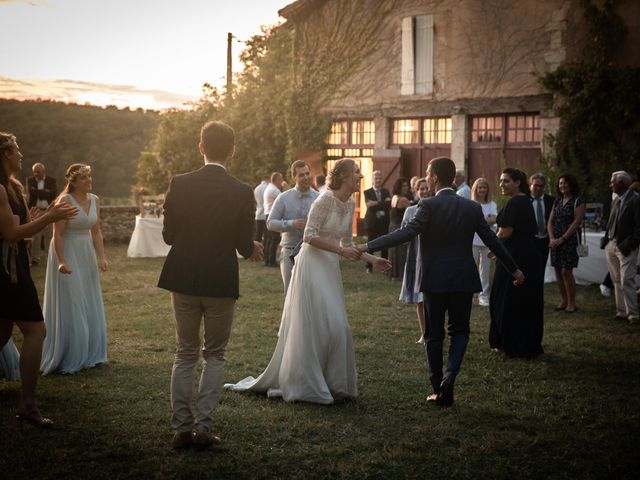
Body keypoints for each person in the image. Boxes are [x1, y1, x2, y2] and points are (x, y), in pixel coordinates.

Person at [225, 158, 391, 404]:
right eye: (356, 172)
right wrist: (341, 252)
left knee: (337, 326)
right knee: (314, 325)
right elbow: (309, 236)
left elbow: (346, 244)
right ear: (344, 176)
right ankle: (306, 383)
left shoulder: (349, 204)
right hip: (311, 264)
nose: (360, 176)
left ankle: (334, 383)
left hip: (330, 267)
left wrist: (371, 259)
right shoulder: (324, 200)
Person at [360, 157, 523, 407]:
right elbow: (492, 240)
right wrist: (514, 269)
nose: (426, 175)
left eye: (428, 172)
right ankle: (450, 376)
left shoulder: (428, 205)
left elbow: (405, 233)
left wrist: (368, 246)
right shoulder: (471, 208)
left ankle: (438, 388)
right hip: (463, 279)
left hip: (434, 279)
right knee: (460, 331)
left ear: (435, 177)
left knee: (434, 335)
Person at [158, 121, 263, 450]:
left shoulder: (179, 183)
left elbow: (168, 236)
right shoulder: (242, 191)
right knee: (214, 355)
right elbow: (245, 246)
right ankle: (203, 427)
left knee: (185, 353)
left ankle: (180, 430)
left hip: (183, 276)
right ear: (232, 151)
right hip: (220, 279)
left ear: (200, 147)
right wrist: (253, 247)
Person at [0, 132, 78, 428]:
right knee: (36, 331)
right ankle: (28, 405)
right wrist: (49, 216)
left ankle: (28, 404)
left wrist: (32, 222)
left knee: (3, 334)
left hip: (14, 266)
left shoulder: (13, 186)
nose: (21, 155)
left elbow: (18, 232)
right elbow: (9, 234)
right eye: (16, 150)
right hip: (7, 274)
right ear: (5, 154)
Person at [40, 163, 109, 375]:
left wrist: (102, 257)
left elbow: (96, 231)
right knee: (73, 298)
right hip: (67, 251)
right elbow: (57, 234)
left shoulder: (95, 200)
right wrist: (61, 260)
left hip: (85, 252)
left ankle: (90, 352)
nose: (89, 180)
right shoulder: (64, 201)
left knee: (88, 298)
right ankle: (70, 353)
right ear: (73, 182)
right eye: (84, 178)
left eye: (90, 176)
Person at [489, 168, 544, 359]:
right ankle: (523, 343)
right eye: (501, 181)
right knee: (522, 301)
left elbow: (505, 232)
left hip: (515, 257)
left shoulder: (516, 202)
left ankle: (509, 344)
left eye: (506, 181)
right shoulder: (525, 201)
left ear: (517, 183)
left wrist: (493, 247)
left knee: (505, 300)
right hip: (526, 256)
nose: (501, 185)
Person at [267, 160, 319, 294]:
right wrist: (291, 224)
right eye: (301, 175)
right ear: (294, 177)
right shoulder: (283, 198)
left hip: (312, 252)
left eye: (307, 173)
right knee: (290, 294)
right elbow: (270, 223)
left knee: (309, 294)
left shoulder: (318, 198)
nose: (306, 177)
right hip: (289, 252)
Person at [601, 171, 640, 325]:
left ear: (622, 184)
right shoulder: (616, 200)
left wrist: (629, 244)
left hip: (626, 246)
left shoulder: (636, 200)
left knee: (627, 280)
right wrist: (607, 240)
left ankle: (634, 315)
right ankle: (622, 312)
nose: (610, 184)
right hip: (611, 244)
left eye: (613, 182)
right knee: (616, 279)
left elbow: (639, 228)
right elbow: (611, 222)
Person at [548, 174, 585, 313]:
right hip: (555, 241)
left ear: (571, 184)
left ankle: (571, 303)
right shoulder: (557, 201)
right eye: (560, 183)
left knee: (566, 271)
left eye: (565, 183)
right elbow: (550, 222)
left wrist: (562, 239)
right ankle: (563, 300)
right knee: (557, 270)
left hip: (569, 241)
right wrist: (552, 239)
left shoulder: (578, 200)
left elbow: (576, 223)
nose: (562, 186)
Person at [399, 178, 429, 344]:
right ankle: (424, 333)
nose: (424, 191)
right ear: (416, 191)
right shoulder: (410, 211)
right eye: (421, 189)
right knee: (419, 299)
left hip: (431, 257)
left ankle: (434, 331)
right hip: (415, 255)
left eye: (426, 188)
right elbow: (403, 233)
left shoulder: (435, 208)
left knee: (430, 299)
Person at [471, 178, 497, 307]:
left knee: (485, 269)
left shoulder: (492, 204)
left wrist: (479, 220)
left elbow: (494, 219)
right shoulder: (471, 203)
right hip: (473, 240)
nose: (482, 190)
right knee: (470, 267)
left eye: (484, 187)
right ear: (475, 189)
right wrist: (485, 220)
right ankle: (468, 294)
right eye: (480, 187)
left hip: (487, 240)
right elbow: (471, 221)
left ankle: (484, 295)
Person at [26, 162, 58, 265]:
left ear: (43, 171)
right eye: (34, 172)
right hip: (36, 211)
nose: (36, 174)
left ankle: (50, 257)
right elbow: (31, 193)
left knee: (49, 234)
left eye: (38, 172)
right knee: (36, 236)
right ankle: (35, 259)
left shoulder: (51, 180)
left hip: (48, 210)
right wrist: (45, 192)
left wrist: (38, 192)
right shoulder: (30, 180)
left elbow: (53, 194)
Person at [363, 170, 391, 273]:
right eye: (376, 178)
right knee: (370, 245)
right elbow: (369, 206)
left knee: (385, 244)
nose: (378, 180)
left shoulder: (386, 192)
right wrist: (382, 203)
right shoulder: (367, 192)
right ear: (372, 180)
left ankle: (385, 267)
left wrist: (376, 203)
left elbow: (388, 205)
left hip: (384, 222)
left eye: (380, 178)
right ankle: (369, 267)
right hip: (372, 222)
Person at [529, 173, 555, 275]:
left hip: (545, 239)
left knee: (541, 268)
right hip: (530, 239)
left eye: (541, 186)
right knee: (530, 267)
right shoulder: (525, 200)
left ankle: (539, 289)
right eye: (536, 185)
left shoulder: (551, 200)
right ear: (530, 185)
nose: (538, 188)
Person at [388, 177, 412, 279]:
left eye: (407, 186)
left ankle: (393, 273)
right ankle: (401, 274)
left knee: (394, 251)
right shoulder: (403, 199)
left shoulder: (394, 197)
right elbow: (412, 211)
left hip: (392, 226)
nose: (406, 188)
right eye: (404, 186)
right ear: (399, 187)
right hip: (399, 226)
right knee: (402, 251)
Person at [263, 172, 283, 267]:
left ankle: (267, 260)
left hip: (267, 214)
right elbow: (283, 200)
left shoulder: (269, 188)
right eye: (280, 179)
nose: (282, 181)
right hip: (272, 215)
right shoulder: (274, 190)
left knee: (269, 239)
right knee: (275, 239)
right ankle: (271, 261)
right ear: (276, 180)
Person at [254, 175, 270, 245]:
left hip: (258, 214)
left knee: (258, 235)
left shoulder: (256, 188)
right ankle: (264, 253)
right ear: (268, 179)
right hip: (265, 214)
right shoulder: (267, 188)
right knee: (266, 236)